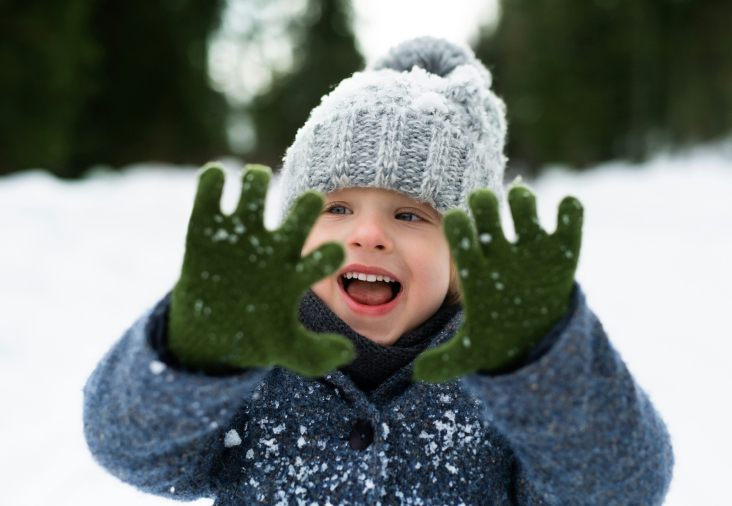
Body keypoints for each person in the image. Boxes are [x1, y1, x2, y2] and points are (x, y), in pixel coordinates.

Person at [83, 37, 673, 505]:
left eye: (411, 214)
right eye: (337, 208)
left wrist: (543, 365)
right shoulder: (254, 359)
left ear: (462, 252)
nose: (368, 233)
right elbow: (130, 449)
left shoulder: (502, 381)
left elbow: (622, 489)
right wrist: (196, 353)